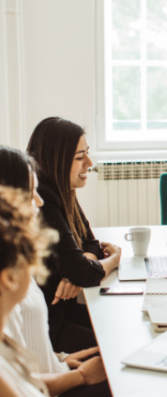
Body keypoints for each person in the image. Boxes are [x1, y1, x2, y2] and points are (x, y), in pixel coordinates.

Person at [0, 147, 112, 397]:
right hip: (57, 386)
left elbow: (22, 371)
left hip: (56, 371)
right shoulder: (9, 277)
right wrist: (79, 376)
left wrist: (61, 360)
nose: (39, 201)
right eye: (31, 194)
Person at [26, 117, 122, 352]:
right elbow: (84, 271)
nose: (89, 162)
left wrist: (79, 269)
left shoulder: (61, 189)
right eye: (80, 157)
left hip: (62, 310)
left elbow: (90, 243)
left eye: (86, 153)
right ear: (55, 161)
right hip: (49, 324)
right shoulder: (44, 199)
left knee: (119, 329)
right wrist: (114, 259)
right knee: (115, 347)